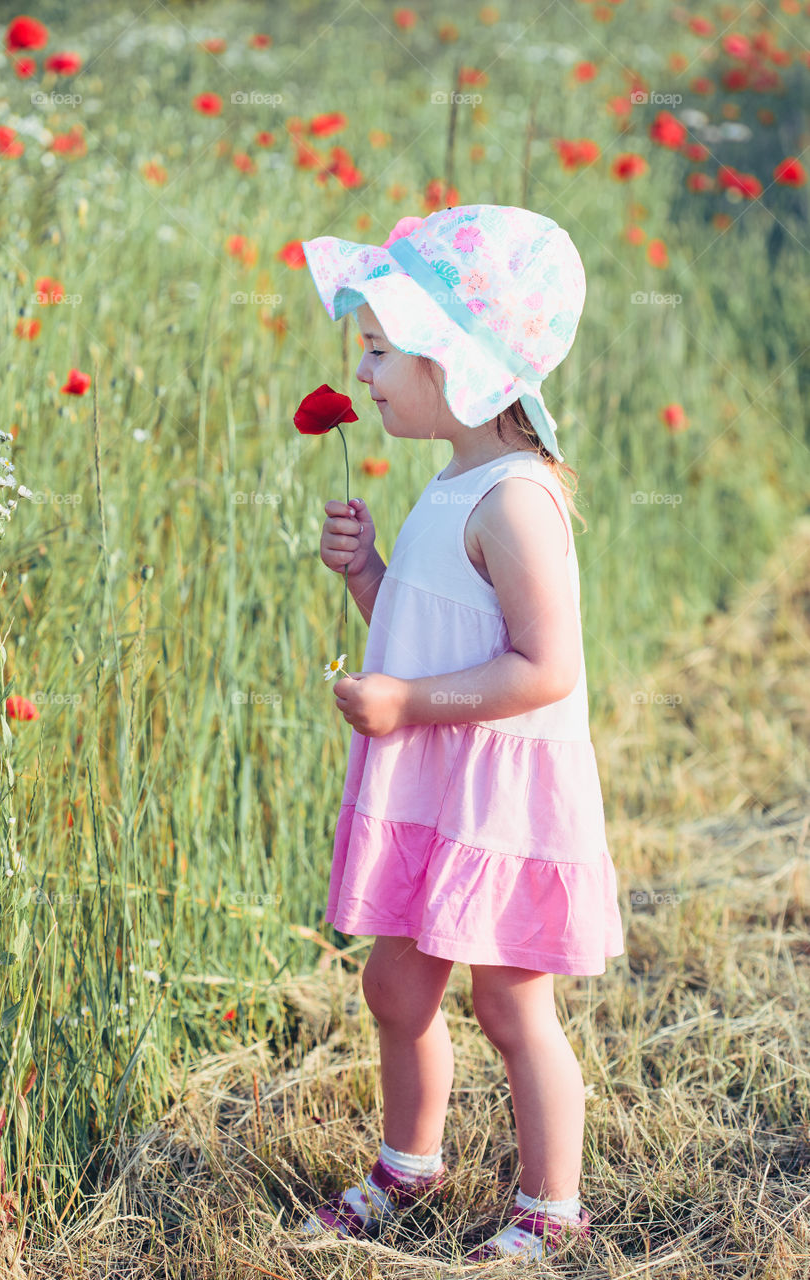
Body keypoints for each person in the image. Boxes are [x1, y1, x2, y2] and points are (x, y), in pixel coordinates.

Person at [296, 205, 625, 1262]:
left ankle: (548, 1204)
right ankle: (411, 1160)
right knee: (392, 983)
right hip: (433, 780)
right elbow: (427, 633)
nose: (364, 369)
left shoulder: (515, 499)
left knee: (509, 1000)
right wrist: (366, 575)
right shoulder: (447, 482)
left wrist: (401, 706)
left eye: (383, 347)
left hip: (494, 789)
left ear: (459, 366)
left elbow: (545, 668)